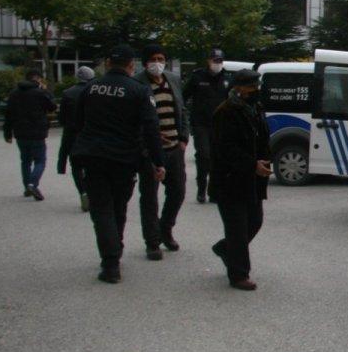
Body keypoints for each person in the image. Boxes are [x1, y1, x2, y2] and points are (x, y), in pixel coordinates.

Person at [71, 45, 166, 283]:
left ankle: (111, 262)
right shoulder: (139, 90)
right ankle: (115, 251)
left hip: (93, 157)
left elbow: (76, 125)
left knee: (101, 209)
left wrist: (69, 157)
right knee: (118, 208)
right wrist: (158, 162)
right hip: (124, 159)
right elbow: (152, 129)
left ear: (108, 64)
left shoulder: (91, 88)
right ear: (131, 65)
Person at [209, 69, 272, 290]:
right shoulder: (225, 112)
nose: (256, 90)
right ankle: (238, 274)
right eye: (251, 86)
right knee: (237, 227)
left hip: (253, 180)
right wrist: (252, 164)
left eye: (257, 85)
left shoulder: (256, 108)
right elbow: (225, 149)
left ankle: (225, 249)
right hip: (230, 180)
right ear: (238, 88)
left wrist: (265, 160)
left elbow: (262, 138)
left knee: (255, 221)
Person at [135, 43, 190, 260]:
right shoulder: (137, 83)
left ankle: (165, 228)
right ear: (145, 62)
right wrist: (150, 137)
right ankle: (152, 241)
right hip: (149, 151)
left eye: (161, 58)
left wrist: (184, 138)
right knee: (149, 197)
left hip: (174, 148)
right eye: (153, 59)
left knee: (178, 192)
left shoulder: (173, 80)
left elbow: (182, 110)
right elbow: (133, 119)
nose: (157, 63)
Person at [183, 48, 229, 203]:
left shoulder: (227, 78)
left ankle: (213, 191)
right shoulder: (198, 77)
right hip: (201, 124)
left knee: (217, 159)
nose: (218, 64)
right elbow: (183, 97)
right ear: (208, 61)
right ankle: (201, 189)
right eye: (215, 61)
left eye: (220, 61)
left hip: (220, 125)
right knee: (204, 156)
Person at [3, 68, 57, 201]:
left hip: (20, 132)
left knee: (25, 161)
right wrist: (45, 91)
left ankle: (27, 185)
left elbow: (8, 114)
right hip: (37, 132)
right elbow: (52, 106)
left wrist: (7, 133)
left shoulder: (14, 93)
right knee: (40, 160)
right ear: (38, 79)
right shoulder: (39, 93)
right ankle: (33, 184)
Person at [57, 66, 95, 210]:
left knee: (76, 166)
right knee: (92, 166)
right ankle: (92, 191)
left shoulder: (68, 93)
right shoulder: (95, 91)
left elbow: (62, 118)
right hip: (91, 134)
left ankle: (83, 191)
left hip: (72, 135)